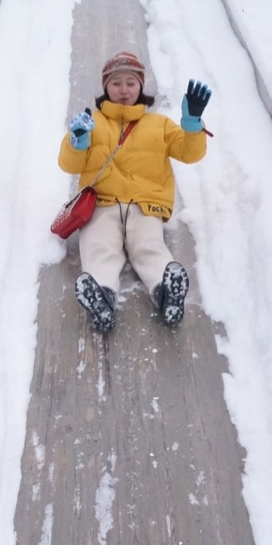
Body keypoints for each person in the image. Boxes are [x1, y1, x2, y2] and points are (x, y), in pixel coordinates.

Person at [58, 50, 212, 334]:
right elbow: (69, 164)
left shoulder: (159, 125)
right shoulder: (93, 122)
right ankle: (101, 296)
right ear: (105, 86)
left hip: (145, 204)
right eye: (116, 83)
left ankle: (167, 292)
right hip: (102, 203)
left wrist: (192, 126)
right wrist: (77, 141)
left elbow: (189, 154)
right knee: (99, 246)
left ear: (141, 86)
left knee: (149, 245)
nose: (124, 89)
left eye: (131, 82)